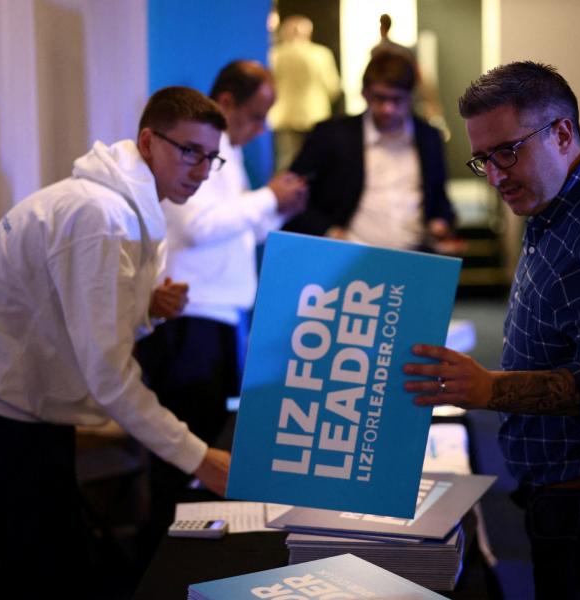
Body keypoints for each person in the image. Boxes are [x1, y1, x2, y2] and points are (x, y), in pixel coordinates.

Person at [403, 61, 580, 599]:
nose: (493, 175)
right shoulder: (562, 205)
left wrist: (490, 389)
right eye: (483, 158)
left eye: (507, 151)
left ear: (561, 133)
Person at [0, 86, 231, 598]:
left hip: (30, 403)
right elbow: (108, 373)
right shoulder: (102, 216)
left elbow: (83, 318)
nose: (202, 169)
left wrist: (145, 306)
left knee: (62, 563)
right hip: (2, 408)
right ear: (148, 141)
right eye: (189, 151)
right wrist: (197, 457)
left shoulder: (126, 203)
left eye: (211, 156)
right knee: (50, 573)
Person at [135, 60, 307, 549]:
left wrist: (275, 208)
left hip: (215, 316)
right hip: (189, 319)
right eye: (257, 114)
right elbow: (197, 226)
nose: (264, 127)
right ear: (227, 103)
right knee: (186, 456)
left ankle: (185, 549)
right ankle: (162, 558)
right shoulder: (201, 153)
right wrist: (267, 198)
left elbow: (227, 234)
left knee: (207, 443)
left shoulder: (223, 151)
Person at [283, 50, 458, 253]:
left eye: (397, 100)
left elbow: (439, 196)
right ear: (364, 93)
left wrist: (440, 223)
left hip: (414, 259)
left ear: (410, 97)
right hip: (348, 260)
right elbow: (293, 197)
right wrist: (329, 231)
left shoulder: (428, 137)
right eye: (380, 98)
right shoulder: (332, 134)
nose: (387, 109)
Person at [268, 15, 341, 171]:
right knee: (317, 165)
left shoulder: (275, 55)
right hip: (315, 116)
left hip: (284, 117)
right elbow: (333, 87)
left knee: (286, 164)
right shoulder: (321, 54)